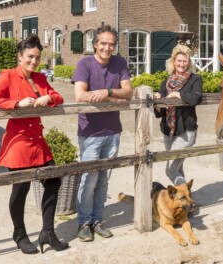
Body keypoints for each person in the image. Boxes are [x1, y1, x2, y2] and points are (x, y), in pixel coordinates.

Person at [0, 34, 69, 254]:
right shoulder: (8, 75)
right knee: (21, 189)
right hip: (19, 143)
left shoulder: (40, 78)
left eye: (37, 57)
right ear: (20, 57)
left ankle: (47, 232)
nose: (34, 61)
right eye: (30, 57)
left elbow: (58, 97)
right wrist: (17, 103)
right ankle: (19, 234)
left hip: (38, 142)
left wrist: (49, 98)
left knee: (53, 181)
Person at [71, 24, 133, 242]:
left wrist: (106, 92)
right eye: (103, 43)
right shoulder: (84, 64)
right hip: (90, 133)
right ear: (95, 44)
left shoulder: (120, 63)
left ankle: (97, 220)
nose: (107, 48)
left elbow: (129, 93)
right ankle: (83, 223)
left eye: (111, 44)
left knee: (103, 180)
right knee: (89, 180)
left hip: (113, 131)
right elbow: (80, 96)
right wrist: (115, 98)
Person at [153, 44, 203, 214]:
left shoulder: (195, 79)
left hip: (186, 131)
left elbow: (196, 98)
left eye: (185, 61)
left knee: (170, 169)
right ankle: (186, 205)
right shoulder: (165, 81)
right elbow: (159, 113)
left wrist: (177, 95)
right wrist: (158, 101)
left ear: (189, 62)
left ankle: (188, 201)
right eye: (179, 60)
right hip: (168, 130)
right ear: (173, 62)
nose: (182, 64)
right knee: (178, 167)